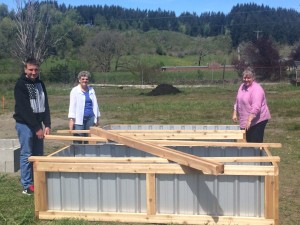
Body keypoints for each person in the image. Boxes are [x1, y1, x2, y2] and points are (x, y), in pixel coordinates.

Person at [13, 58, 51, 195]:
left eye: (36, 70)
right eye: (30, 69)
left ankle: (38, 180)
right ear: (25, 70)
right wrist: (37, 128)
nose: (33, 72)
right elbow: (24, 110)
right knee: (27, 155)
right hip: (25, 124)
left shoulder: (40, 84)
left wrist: (47, 124)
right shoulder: (20, 85)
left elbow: (45, 105)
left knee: (38, 153)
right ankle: (27, 185)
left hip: (38, 124)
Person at [232, 67, 271, 142]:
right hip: (246, 118)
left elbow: (256, 107)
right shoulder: (242, 86)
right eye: (244, 78)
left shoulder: (257, 89)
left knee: (254, 141)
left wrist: (249, 121)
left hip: (257, 120)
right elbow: (238, 100)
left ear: (253, 78)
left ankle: (256, 152)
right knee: (248, 140)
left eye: (248, 78)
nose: (246, 80)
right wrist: (234, 113)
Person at [68, 71, 100, 143]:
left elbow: (95, 104)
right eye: (83, 79)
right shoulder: (74, 91)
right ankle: (78, 153)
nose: (85, 81)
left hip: (90, 118)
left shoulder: (91, 90)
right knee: (78, 139)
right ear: (79, 80)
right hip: (79, 119)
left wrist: (97, 118)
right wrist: (71, 120)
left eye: (86, 79)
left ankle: (87, 153)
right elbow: (72, 106)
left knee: (88, 139)